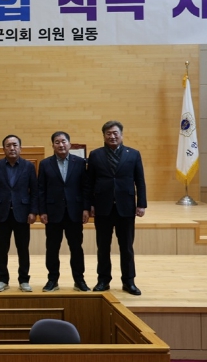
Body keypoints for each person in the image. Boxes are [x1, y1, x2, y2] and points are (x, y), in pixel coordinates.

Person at [88, 121, 147, 296]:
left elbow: (140, 181)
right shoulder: (95, 155)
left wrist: (141, 204)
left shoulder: (133, 154)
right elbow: (89, 182)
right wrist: (89, 204)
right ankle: (103, 280)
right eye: (108, 133)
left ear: (121, 134)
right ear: (104, 136)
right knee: (103, 247)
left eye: (115, 133)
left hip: (126, 207)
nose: (112, 136)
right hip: (102, 207)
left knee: (126, 247)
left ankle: (129, 281)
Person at [37, 131, 91, 293]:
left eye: (63, 141)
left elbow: (86, 187)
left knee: (76, 247)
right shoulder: (45, 164)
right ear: (52, 145)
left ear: (69, 144)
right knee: (52, 248)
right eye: (57, 142)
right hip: (53, 212)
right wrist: (42, 211)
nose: (61, 145)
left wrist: (86, 208)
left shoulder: (80, 162)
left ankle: (79, 280)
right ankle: (52, 280)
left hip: (75, 212)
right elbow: (41, 190)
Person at [0, 134, 38, 292]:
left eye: (15, 145)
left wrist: (33, 211)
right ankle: (2, 279)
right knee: (2, 248)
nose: (12, 148)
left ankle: (24, 280)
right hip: (2, 213)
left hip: (22, 213)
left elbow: (34, 191)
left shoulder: (28, 166)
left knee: (23, 248)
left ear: (20, 148)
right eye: (8, 145)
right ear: (3, 149)